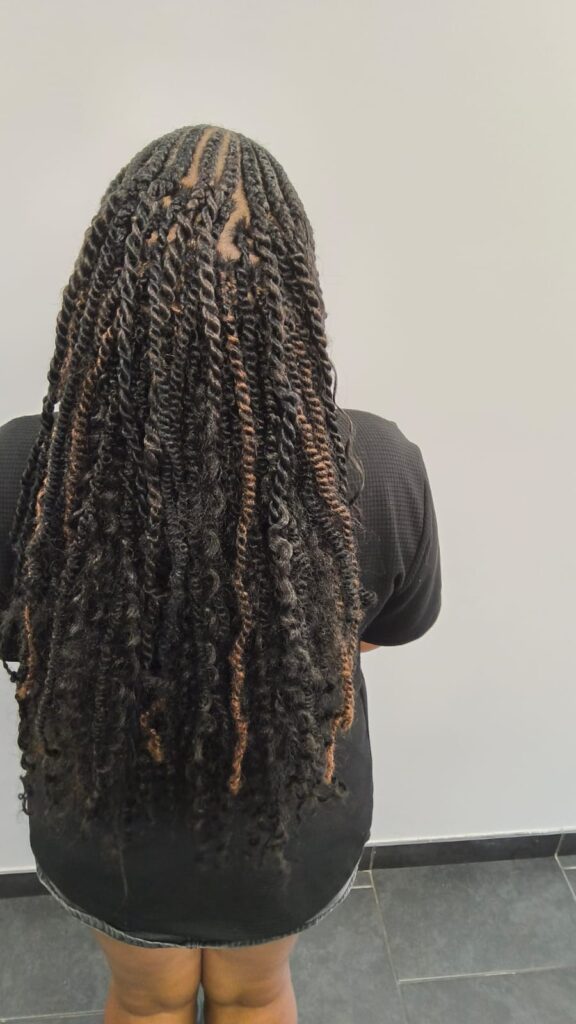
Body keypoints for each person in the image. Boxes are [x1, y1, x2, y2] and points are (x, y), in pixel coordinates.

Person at [0, 123, 442, 1024]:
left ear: (109, 283)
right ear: (292, 290)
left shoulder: (24, 470)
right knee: (257, 993)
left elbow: (23, 643)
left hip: (107, 821)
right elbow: (372, 635)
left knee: (144, 1004)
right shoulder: (376, 468)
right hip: (286, 818)